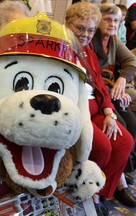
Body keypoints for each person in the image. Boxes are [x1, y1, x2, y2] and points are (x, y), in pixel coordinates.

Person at [65, 2, 135, 215]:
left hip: (96, 109)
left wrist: (108, 112)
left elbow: (100, 87)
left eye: (90, 30)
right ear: (68, 24)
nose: (86, 34)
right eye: (80, 28)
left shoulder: (88, 50)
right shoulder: (62, 48)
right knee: (103, 146)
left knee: (125, 142)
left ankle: (101, 192)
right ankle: (86, 194)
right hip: (77, 110)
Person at [90, 3, 136, 148]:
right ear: (97, 21)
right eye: (107, 19)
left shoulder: (114, 40)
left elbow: (131, 60)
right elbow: (91, 77)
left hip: (110, 92)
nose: (112, 24)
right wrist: (113, 90)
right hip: (96, 94)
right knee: (122, 126)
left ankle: (128, 166)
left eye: (116, 20)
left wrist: (121, 81)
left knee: (132, 124)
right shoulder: (90, 39)